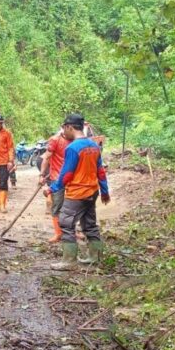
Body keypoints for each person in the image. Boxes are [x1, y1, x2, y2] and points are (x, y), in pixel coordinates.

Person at [44, 114, 110, 271]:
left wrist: (51, 188)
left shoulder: (72, 148)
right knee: (90, 225)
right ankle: (95, 259)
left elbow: (66, 174)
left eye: (64, 128)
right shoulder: (93, 146)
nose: (63, 132)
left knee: (66, 224)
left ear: (69, 127)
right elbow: (100, 171)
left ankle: (69, 261)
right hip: (92, 191)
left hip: (77, 193)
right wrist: (104, 191)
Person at [39, 126, 71, 243]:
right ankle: (58, 233)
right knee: (57, 206)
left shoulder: (76, 140)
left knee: (73, 207)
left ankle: (73, 232)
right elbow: (47, 157)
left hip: (73, 180)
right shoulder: (55, 140)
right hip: (57, 179)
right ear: (64, 128)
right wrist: (42, 175)